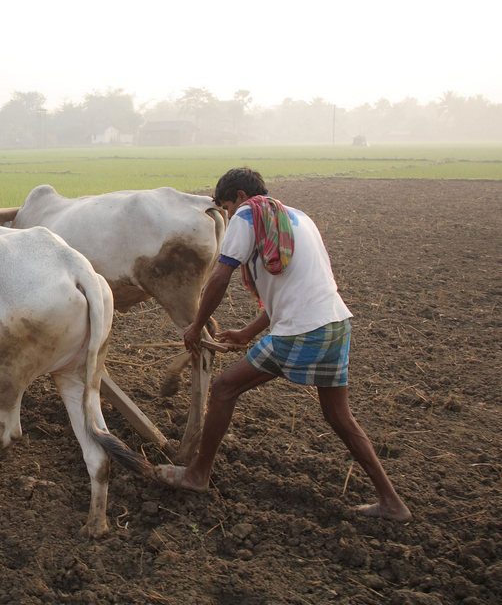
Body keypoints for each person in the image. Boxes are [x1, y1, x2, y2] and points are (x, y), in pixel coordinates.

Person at [156, 167, 411, 522]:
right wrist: (247, 333)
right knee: (340, 417)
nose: (228, 216)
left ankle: (197, 474)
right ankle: (392, 502)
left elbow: (220, 275)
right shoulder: (299, 218)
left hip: (301, 332)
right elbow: (294, 290)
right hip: (335, 324)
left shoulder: (248, 214)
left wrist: (196, 325)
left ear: (240, 197)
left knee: (225, 387)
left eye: (226, 207)